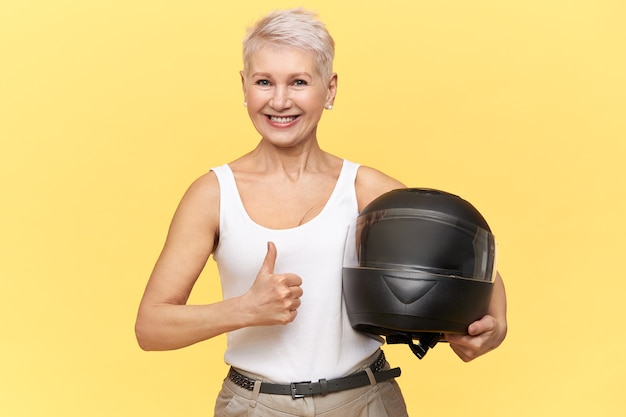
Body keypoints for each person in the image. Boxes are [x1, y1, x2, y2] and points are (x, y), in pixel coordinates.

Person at [135, 8, 507, 417]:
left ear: (329, 90)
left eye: (298, 82)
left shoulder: (366, 190)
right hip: (256, 406)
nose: (279, 100)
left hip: (366, 400)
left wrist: (493, 326)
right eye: (264, 82)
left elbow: (469, 261)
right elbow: (150, 327)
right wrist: (244, 309)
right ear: (244, 87)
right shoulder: (213, 194)